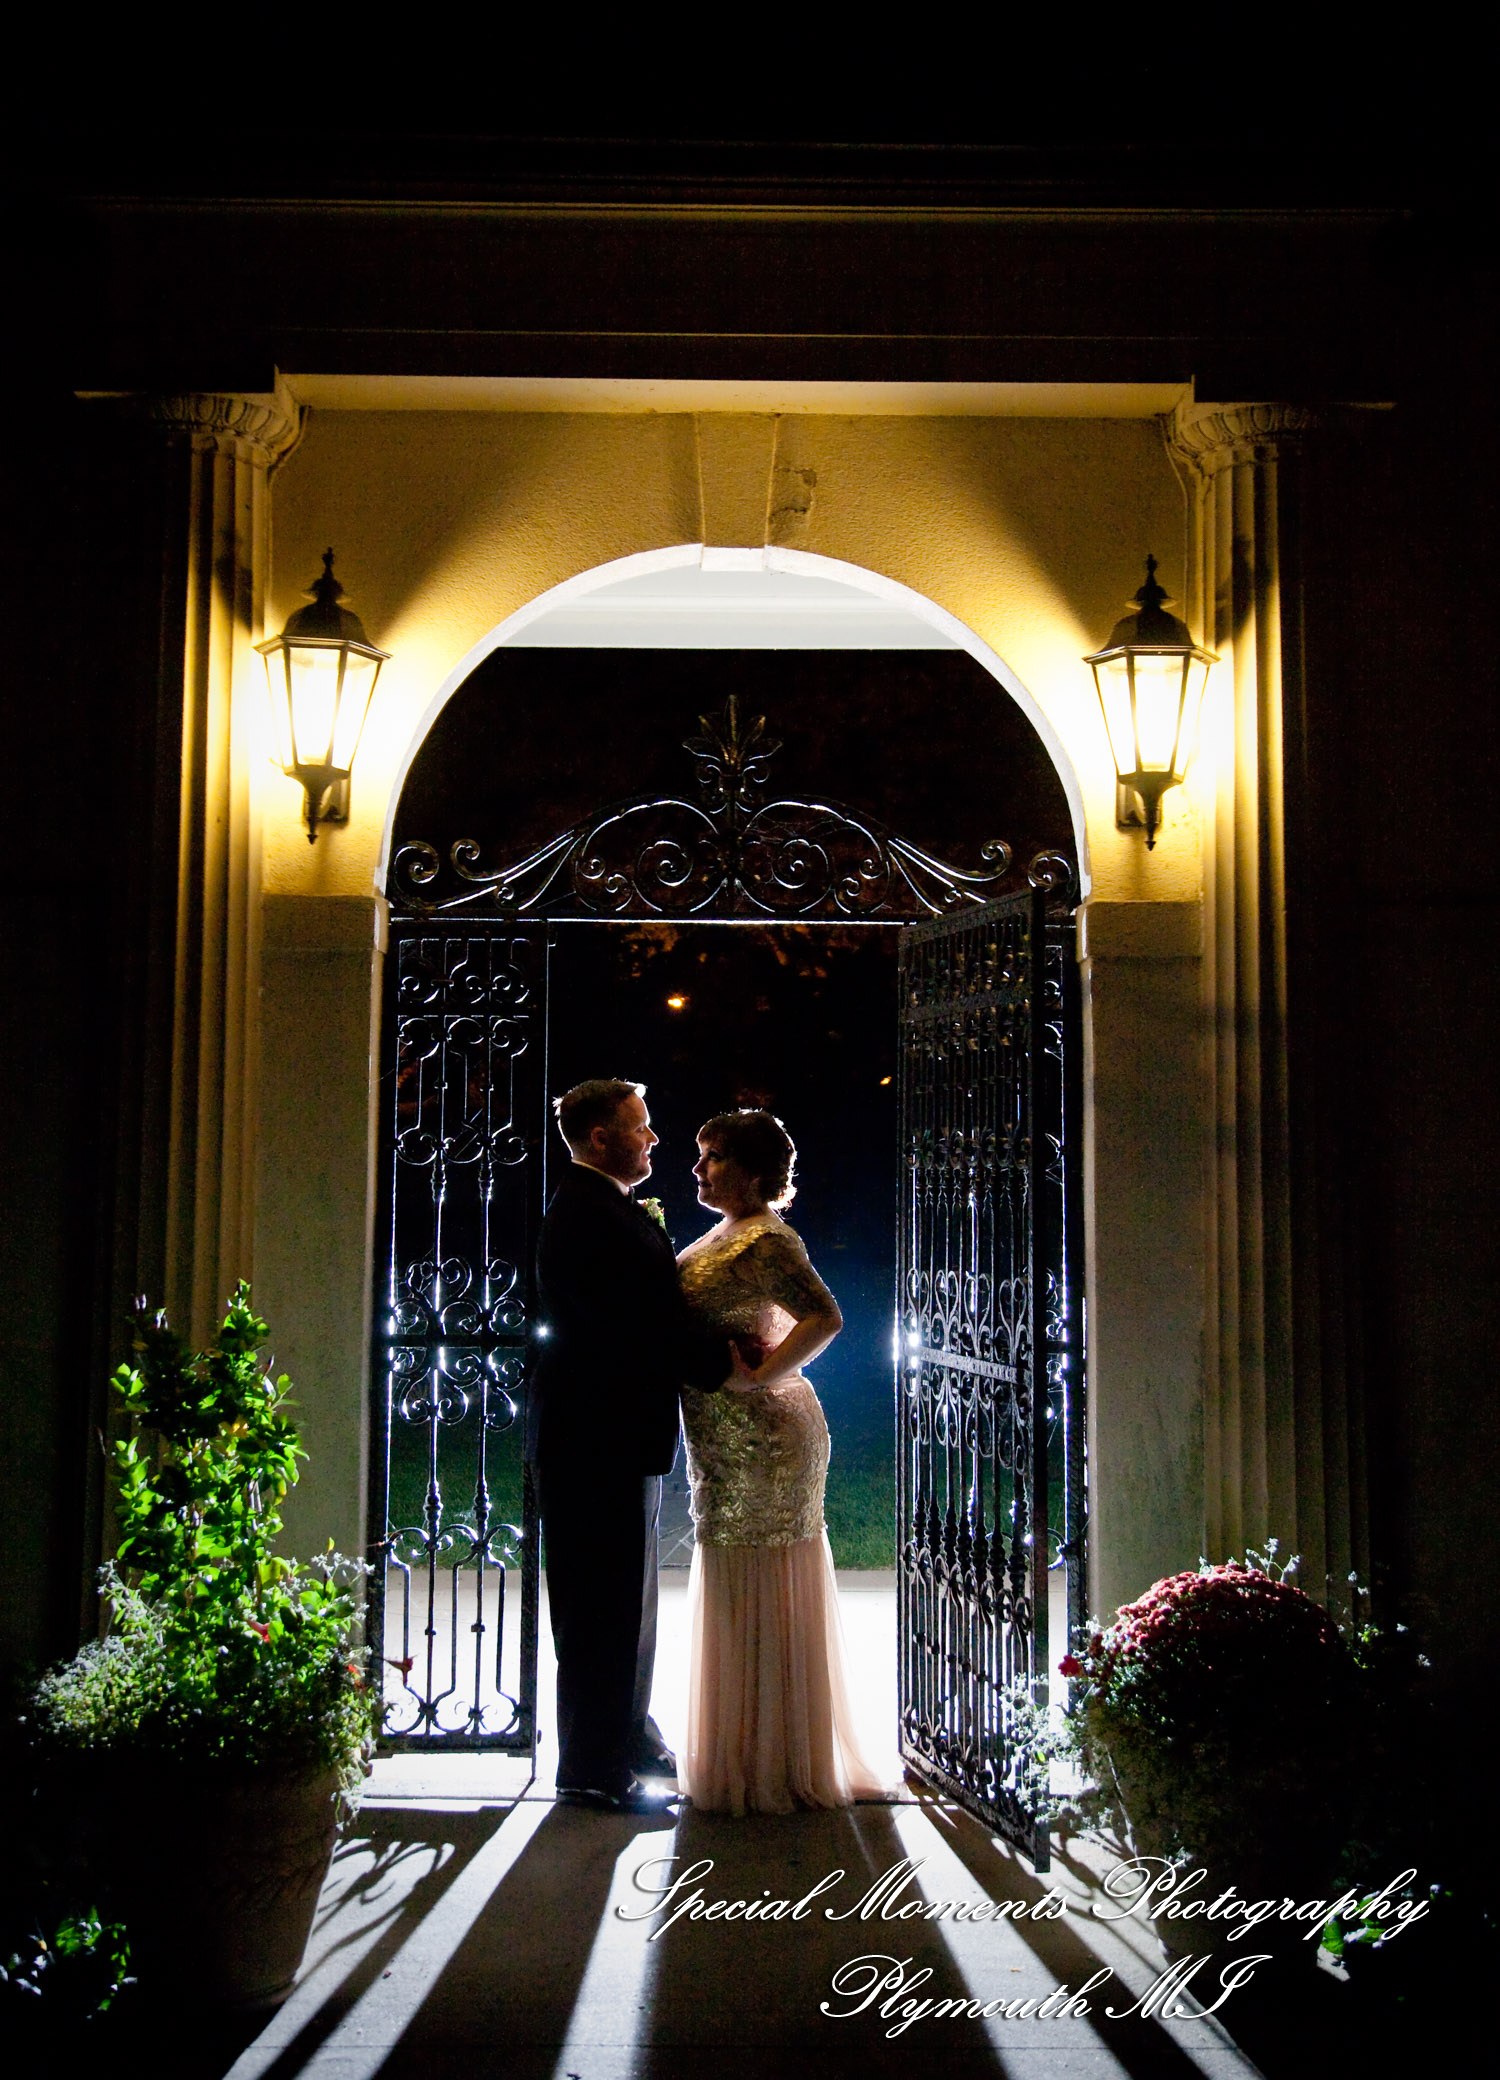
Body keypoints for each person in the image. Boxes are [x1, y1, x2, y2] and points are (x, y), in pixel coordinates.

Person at [677, 1108, 889, 1814]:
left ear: (754, 1169)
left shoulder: (769, 1237)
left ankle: (773, 1762)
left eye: (713, 1157)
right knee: (738, 1569)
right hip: (723, 1437)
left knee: (759, 1570)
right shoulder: (726, 1232)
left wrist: (762, 1378)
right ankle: (747, 1749)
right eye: (700, 1156)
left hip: (765, 1438)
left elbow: (824, 1316)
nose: (699, 1169)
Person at [530, 1078, 731, 1814]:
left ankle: (625, 1741)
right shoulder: (588, 1217)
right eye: (640, 1127)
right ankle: (590, 1771)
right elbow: (637, 1324)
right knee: (598, 1612)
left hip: (611, 1437)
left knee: (625, 1606)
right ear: (602, 1138)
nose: (652, 1139)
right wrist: (722, 1361)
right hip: (592, 1440)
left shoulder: (604, 1209)